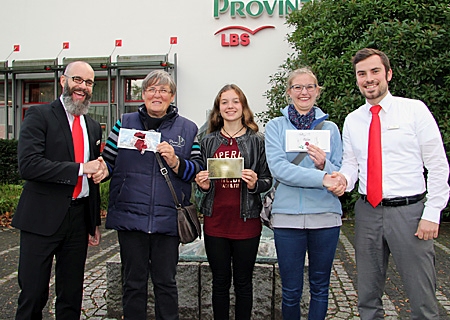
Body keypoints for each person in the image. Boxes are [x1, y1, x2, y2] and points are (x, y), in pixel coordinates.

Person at [329, 48, 450, 319]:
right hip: (367, 212)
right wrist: (342, 180)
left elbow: (438, 166)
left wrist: (432, 213)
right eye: (362, 74)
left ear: (388, 74)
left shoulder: (414, 110)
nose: (368, 79)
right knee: (368, 296)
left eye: (375, 71)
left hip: (409, 214)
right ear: (357, 79)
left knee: (422, 297)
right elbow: (352, 165)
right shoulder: (353, 120)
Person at [102, 70, 202, 320]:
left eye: (163, 90)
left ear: (172, 96)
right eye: (152, 89)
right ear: (143, 94)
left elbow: (198, 170)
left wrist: (177, 162)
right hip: (130, 217)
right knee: (133, 283)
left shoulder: (188, 129)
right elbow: (107, 162)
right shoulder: (124, 123)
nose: (157, 95)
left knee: (166, 283)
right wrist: (93, 169)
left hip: (168, 220)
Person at [12, 61, 106, 319]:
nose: (82, 87)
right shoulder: (38, 115)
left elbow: (92, 176)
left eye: (88, 83)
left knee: (71, 295)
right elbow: (29, 166)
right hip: (41, 219)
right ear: (63, 81)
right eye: (77, 80)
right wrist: (80, 168)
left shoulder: (93, 126)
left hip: (77, 221)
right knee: (33, 294)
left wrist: (92, 221)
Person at [264, 67, 343, 319]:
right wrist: (323, 177)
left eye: (310, 86)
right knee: (290, 290)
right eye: (297, 87)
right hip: (288, 217)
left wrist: (324, 166)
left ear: (317, 91)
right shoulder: (275, 127)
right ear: (289, 92)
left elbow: (340, 173)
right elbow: (280, 170)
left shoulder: (330, 128)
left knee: (320, 288)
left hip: (326, 216)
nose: (304, 92)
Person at [195, 84, 272, 320]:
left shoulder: (258, 141)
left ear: (243, 106)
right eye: (224, 102)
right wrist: (202, 185)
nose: (230, 106)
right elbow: (196, 183)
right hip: (215, 221)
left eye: (235, 101)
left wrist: (254, 184)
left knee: (243, 282)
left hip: (246, 222)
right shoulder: (206, 140)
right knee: (219, 282)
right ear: (218, 108)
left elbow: (268, 180)